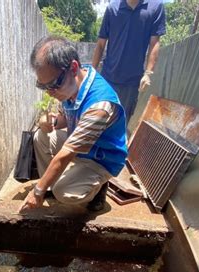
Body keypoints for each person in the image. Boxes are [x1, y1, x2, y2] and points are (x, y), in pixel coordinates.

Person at [19, 36, 127, 213]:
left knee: (64, 193)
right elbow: (64, 120)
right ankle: (52, 185)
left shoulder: (99, 106)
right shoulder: (71, 85)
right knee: (41, 136)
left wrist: (37, 191)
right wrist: (50, 122)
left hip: (101, 158)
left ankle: (98, 188)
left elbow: (67, 153)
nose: (50, 92)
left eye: (54, 84)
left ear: (74, 68)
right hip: (79, 145)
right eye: (43, 86)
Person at [92, 0, 166, 123]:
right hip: (107, 78)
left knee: (120, 123)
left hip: (131, 83)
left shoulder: (155, 7)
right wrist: (93, 71)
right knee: (97, 119)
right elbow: (100, 43)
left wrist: (148, 73)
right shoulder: (112, 8)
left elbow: (154, 43)